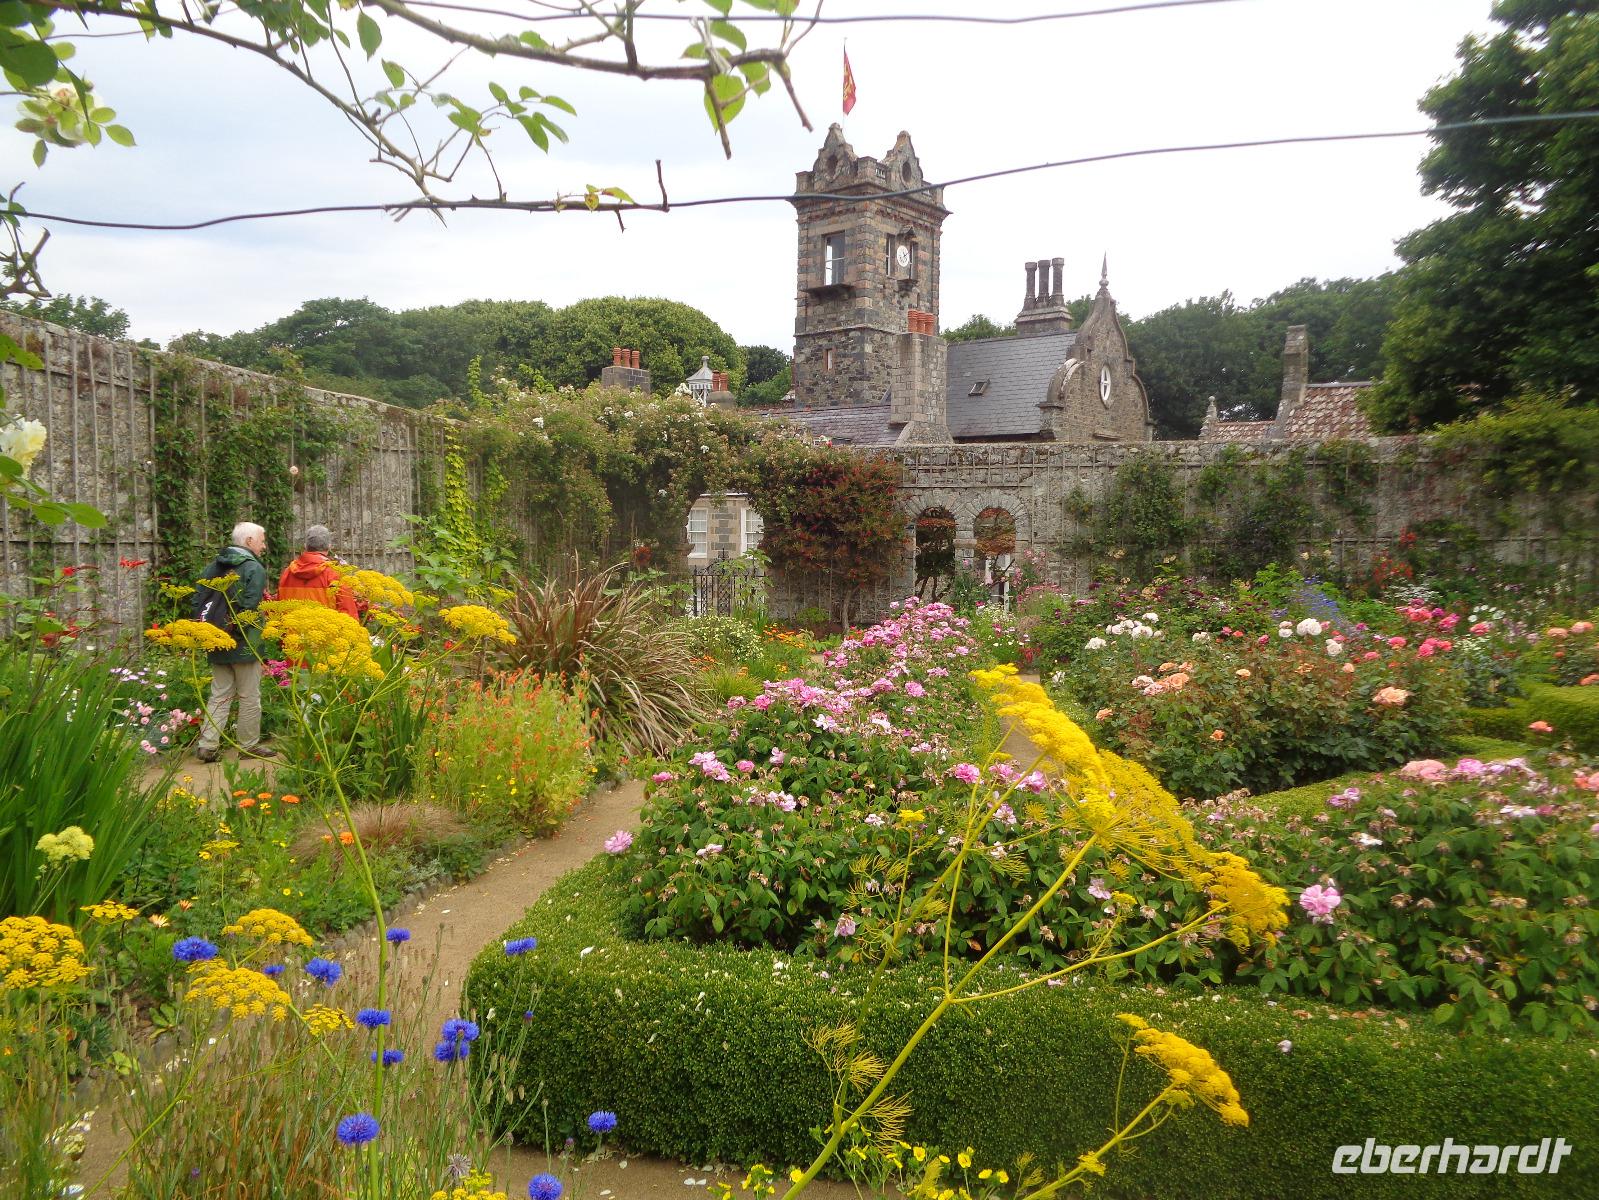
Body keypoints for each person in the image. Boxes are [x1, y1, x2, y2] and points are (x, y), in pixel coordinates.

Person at [194, 521, 278, 763]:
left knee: (219, 694)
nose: (264, 546)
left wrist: (215, 634)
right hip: (244, 644)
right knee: (249, 695)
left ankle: (207, 745)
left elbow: (198, 600)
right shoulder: (253, 567)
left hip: (215, 638)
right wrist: (240, 637)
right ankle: (248, 746)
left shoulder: (213, 566)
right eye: (262, 540)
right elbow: (249, 607)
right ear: (249, 541)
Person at [277, 524, 359, 617]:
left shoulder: (287, 573)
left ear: (305, 546)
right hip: (325, 625)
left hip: (292, 625)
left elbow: (278, 609)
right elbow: (348, 614)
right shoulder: (335, 574)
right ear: (329, 546)